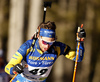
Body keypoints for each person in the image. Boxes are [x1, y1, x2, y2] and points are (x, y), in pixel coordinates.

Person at [5, 21, 86, 82]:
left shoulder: (57, 47)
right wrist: (14, 69)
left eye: (51, 42)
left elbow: (78, 58)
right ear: (38, 37)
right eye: (44, 42)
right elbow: (8, 67)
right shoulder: (28, 46)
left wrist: (80, 42)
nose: (47, 46)